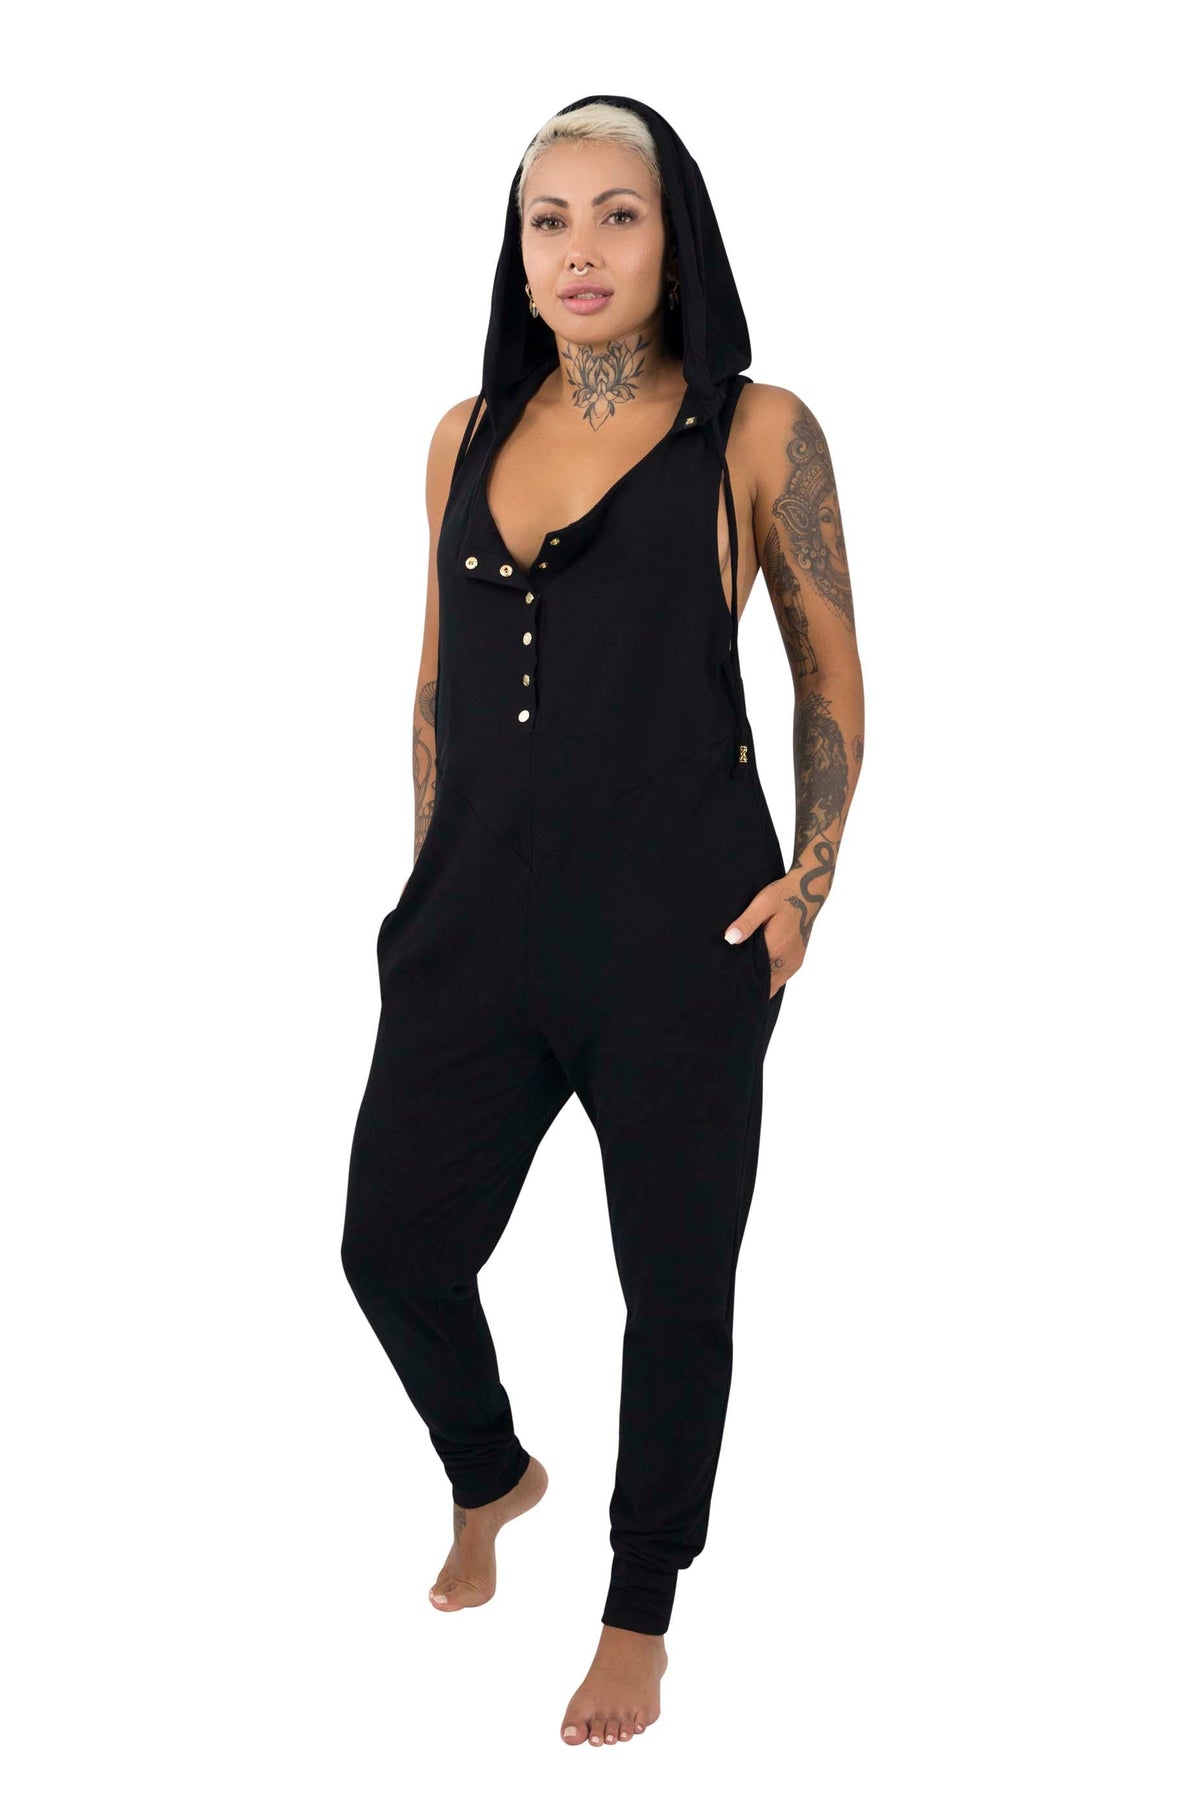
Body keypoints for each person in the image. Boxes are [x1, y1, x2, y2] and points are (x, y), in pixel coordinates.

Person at [340, 92, 865, 1747]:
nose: (579, 248)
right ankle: (491, 1473)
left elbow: (828, 675)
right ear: (518, 250)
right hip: (471, 928)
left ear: (672, 238)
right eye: (547, 218)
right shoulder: (464, 434)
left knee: (675, 1288)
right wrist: (424, 884)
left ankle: (640, 1610)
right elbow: (435, 682)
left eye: (616, 215)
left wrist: (811, 881)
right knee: (390, 1247)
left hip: (682, 933)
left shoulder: (756, 430)